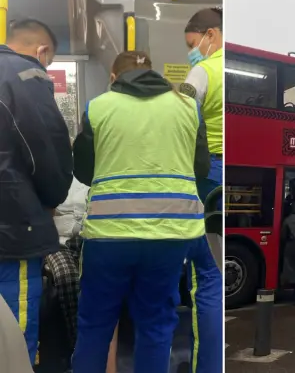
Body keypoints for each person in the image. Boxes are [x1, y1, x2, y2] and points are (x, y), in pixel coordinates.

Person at [71, 51, 210, 373]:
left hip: (108, 235)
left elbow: (83, 171)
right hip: (171, 234)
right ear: (154, 73)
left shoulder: (99, 106)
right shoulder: (189, 107)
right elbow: (201, 167)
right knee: (156, 323)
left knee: (95, 324)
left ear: (113, 78)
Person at [0, 18, 73, 365]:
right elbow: (46, 147)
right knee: (14, 334)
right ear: (42, 52)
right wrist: (52, 198)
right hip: (12, 228)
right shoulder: (24, 74)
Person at [180, 8, 224, 373]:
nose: (192, 52)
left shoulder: (203, 71)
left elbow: (179, 121)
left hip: (209, 173)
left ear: (210, 34)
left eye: (193, 44)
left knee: (208, 276)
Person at [44, 177, 119, 373]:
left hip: (89, 238)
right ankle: (76, 347)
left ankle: (102, 355)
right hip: (56, 242)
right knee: (66, 275)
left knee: (106, 276)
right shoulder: (51, 174)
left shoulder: (90, 170)